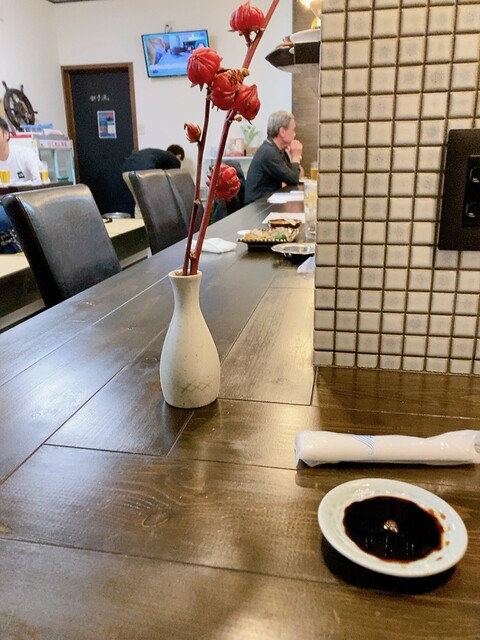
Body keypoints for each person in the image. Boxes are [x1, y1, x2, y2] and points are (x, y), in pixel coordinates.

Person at [0, 116, 42, 253]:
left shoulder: (24, 154)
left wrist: (15, 184)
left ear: (6, 134)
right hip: (2, 204)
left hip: (23, 203)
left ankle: (12, 244)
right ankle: (10, 245)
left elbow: (38, 181)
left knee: (4, 216)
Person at [244, 110, 303, 204]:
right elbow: (293, 179)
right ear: (282, 132)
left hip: (266, 202)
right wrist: (296, 156)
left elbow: (296, 175)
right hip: (257, 207)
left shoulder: (277, 150)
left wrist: (292, 156)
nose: (294, 134)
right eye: (293, 130)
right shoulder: (268, 152)